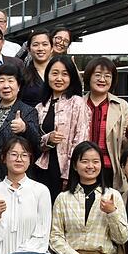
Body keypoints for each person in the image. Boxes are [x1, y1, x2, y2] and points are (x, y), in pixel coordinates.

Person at [31, 55, 90, 204]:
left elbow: (81, 139)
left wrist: (70, 172)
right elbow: (35, 140)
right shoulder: (40, 107)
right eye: (54, 73)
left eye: (65, 74)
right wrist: (48, 139)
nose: (59, 78)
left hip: (67, 168)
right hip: (43, 168)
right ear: (48, 75)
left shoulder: (77, 102)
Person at [84, 57, 128, 190]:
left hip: (110, 169)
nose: (102, 80)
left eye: (107, 76)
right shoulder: (78, 104)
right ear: (88, 77)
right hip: (84, 168)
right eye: (97, 75)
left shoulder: (121, 106)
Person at [0, 64, 41, 178]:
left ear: (19, 86)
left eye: (11, 81)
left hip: (16, 175)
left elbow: (37, 143)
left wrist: (25, 128)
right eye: (1, 81)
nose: (6, 86)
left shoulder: (28, 111)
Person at [19, 29, 54, 108]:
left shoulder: (61, 74)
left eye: (45, 44)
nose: (40, 48)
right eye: (35, 45)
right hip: (30, 118)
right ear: (29, 49)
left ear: (52, 48)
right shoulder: (22, 75)